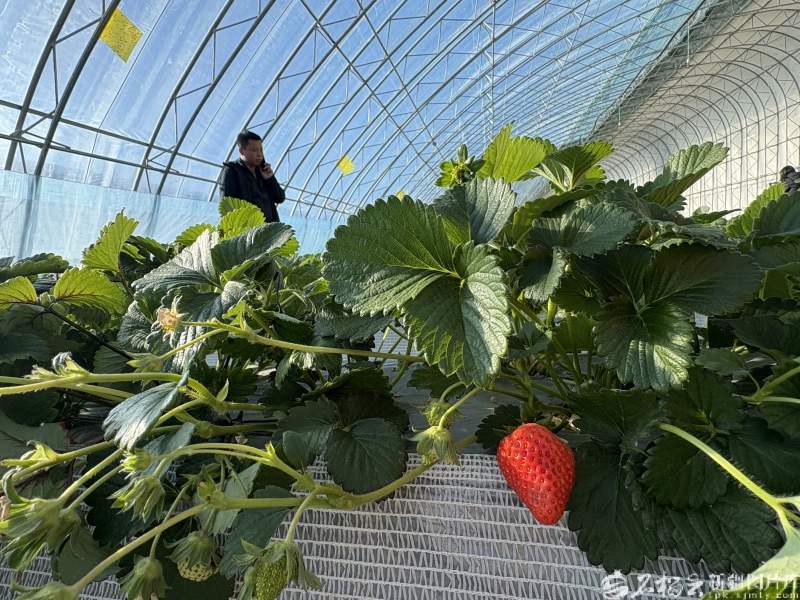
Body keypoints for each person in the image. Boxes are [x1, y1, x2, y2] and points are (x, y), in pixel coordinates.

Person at [220, 131, 286, 222]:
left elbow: (280, 198)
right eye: (254, 150)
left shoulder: (263, 172)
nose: (259, 154)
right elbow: (227, 206)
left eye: (261, 150)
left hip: (270, 232)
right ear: (242, 151)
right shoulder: (232, 171)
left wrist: (270, 178)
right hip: (248, 232)